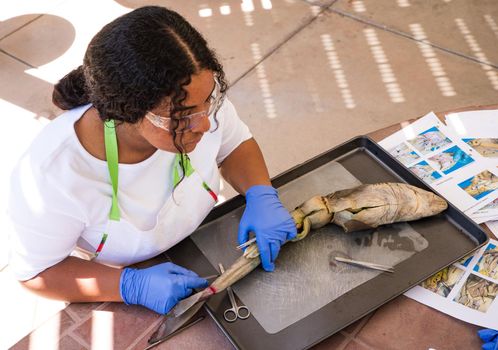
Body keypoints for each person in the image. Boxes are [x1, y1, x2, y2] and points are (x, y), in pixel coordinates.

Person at [7, 6, 296, 315]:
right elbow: (36, 272)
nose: (206, 124)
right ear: (126, 111)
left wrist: (260, 194)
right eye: (184, 117)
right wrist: (128, 285)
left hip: (199, 240)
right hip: (133, 267)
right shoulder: (51, 177)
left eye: (209, 100)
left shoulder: (194, 100)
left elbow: (234, 142)